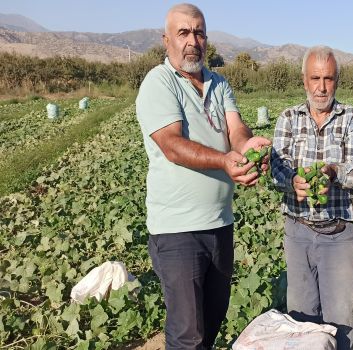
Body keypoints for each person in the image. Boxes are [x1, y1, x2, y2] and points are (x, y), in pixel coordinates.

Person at [135, 3, 271, 349]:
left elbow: (236, 128)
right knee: (187, 333)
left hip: (220, 224)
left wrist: (247, 148)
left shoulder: (218, 83)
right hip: (178, 230)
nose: (192, 40)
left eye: (198, 32)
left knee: (212, 320)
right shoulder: (159, 82)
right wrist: (226, 161)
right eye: (183, 32)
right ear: (167, 40)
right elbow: (172, 145)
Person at [270, 45, 353, 350]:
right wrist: (292, 181)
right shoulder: (288, 118)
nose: (321, 87)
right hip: (297, 231)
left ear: (337, 80)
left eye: (328, 78)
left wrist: (332, 172)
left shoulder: (351, 118)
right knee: (301, 318)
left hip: (338, 232)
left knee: (343, 317)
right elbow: (275, 168)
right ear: (304, 80)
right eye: (315, 78)